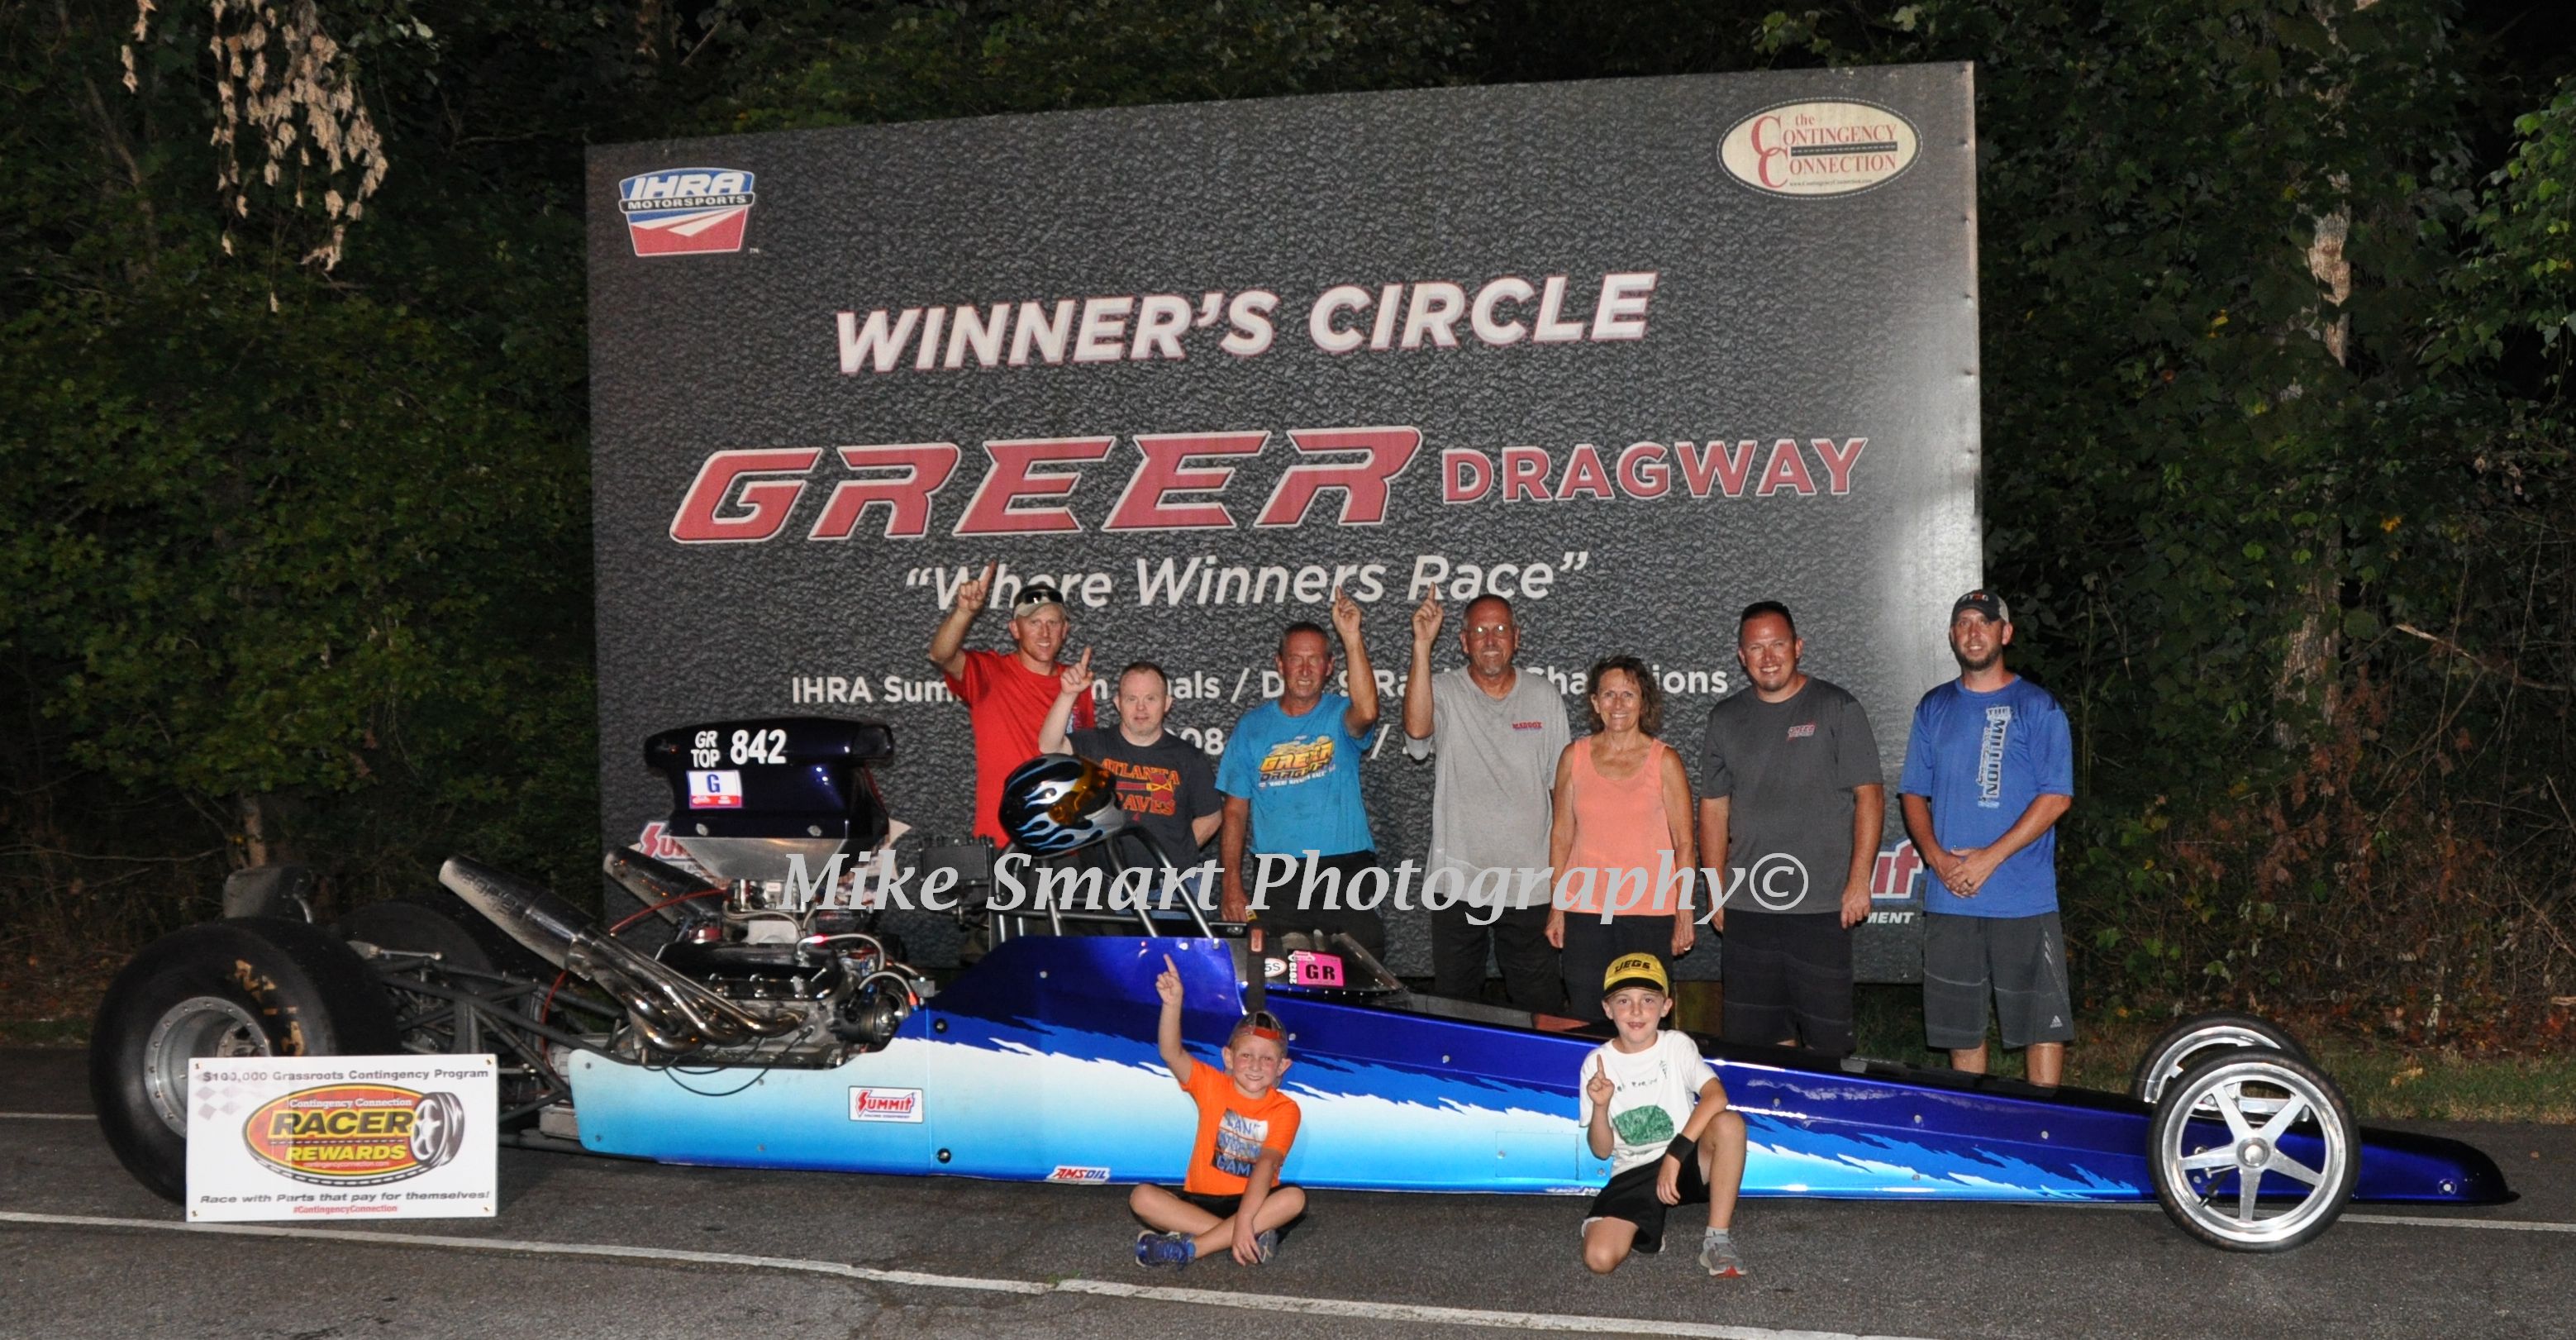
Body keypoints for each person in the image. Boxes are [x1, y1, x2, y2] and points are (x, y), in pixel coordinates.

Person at [1897, 590, 2076, 1085]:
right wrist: (1938, 860)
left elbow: (2056, 797)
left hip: (2023, 895)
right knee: (1961, 1029)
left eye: (1985, 622)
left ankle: (2043, 1122)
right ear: (1952, 635)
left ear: (2006, 632)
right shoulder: (1934, 707)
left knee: (2041, 1023)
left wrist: (1989, 859)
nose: (1974, 632)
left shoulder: (2038, 706)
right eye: (1964, 623)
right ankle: (1976, 1122)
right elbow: (1912, 792)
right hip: (1951, 897)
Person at [1697, 601, 1885, 1056]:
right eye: (1755, 648)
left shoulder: (1838, 707)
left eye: (1777, 644)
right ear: (1741, 656)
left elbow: (1870, 797)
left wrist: (1859, 880)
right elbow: (1714, 807)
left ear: (1798, 647)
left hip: (1822, 906)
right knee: (1756, 1047)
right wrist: (1715, 888)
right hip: (1747, 906)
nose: (1768, 657)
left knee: (1827, 1047)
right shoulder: (1725, 718)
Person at [1400, 594, 1570, 1011]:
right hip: (1458, 881)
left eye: (1499, 630)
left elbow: (1564, 795)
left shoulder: (1544, 696)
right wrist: (1421, 645)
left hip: (1531, 883)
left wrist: (1564, 885)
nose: (1490, 640)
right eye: (1479, 631)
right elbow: (1417, 733)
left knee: (1540, 1007)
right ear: (1463, 641)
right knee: (1455, 1006)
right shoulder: (1442, 690)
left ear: (1516, 637)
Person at [1217, 591, 1386, 957]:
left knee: (1361, 975)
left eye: (1315, 660)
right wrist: (1231, 882)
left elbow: (1368, 712)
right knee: (1280, 979)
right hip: (1279, 878)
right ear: (1280, 665)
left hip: (1345, 871)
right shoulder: (1252, 728)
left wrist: (1351, 636)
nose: (1305, 670)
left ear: (1330, 667)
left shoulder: (1340, 715)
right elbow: (1235, 812)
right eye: (1296, 659)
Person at [1576, 952, 1749, 1278]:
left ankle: (1717, 1238)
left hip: (1685, 1160)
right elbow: (1601, 1150)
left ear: (1666, 1006)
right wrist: (1600, 1106)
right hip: (1634, 1171)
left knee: (1729, 1124)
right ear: (1608, 1009)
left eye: (1648, 1000)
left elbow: (1717, 1096)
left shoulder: (1676, 1045)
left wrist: (1675, 1154)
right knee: (1599, 1259)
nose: (1636, 1010)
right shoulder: (1597, 1063)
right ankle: (1644, 1224)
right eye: (1624, 1001)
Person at [1545, 656, 1697, 1023]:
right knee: (1586, 1017)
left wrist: (1684, 911)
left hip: (1649, 915)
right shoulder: (1573, 757)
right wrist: (1557, 906)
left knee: (1643, 1023)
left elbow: (1685, 843)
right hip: (1586, 913)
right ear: (1595, 702)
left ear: (1643, 702)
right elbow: (1561, 834)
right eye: (1609, 694)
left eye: (1628, 694)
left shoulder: (1665, 761)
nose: (1618, 704)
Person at [1131, 952, 1307, 1269]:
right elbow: (1171, 1053)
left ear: (1282, 1066)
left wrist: (1245, 1218)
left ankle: (1191, 1249)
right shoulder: (1211, 1085)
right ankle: (1243, 1239)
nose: (1256, 1065)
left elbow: (1266, 1164)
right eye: (1246, 1055)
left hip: (1255, 1202)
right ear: (1228, 1057)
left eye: (1267, 1058)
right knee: (1141, 1197)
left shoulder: (1286, 1109)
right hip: (1200, 1202)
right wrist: (1172, 1004)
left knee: (1294, 1199)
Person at [926, 565, 1093, 848]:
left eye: (1053, 623)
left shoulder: (1077, 682)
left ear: (1065, 630)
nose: (1044, 632)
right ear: (1015, 629)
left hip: (1064, 839)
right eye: (1034, 622)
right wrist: (964, 612)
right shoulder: (989, 672)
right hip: (1003, 839)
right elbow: (940, 654)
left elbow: (1084, 759)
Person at [1040, 652, 1223, 890]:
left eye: (1151, 698)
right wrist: (1068, 695)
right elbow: (1049, 746)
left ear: (1167, 703)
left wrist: (1178, 855)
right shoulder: (1095, 745)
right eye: (1131, 698)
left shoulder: (1189, 758)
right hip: (1107, 888)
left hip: (1173, 890)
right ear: (1117, 703)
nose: (1141, 708)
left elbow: (1211, 815)